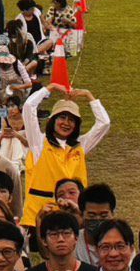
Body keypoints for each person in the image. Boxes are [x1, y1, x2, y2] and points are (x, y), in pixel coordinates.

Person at [19, 84, 109, 227]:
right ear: (52, 120)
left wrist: (89, 96)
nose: (66, 123)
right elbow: (29, 107)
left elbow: (104, 124)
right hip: (40, 219)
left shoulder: (80, 145)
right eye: (62, 117)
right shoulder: (39, 143)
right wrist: (51, 87)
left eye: (71, 120)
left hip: (73, 218)